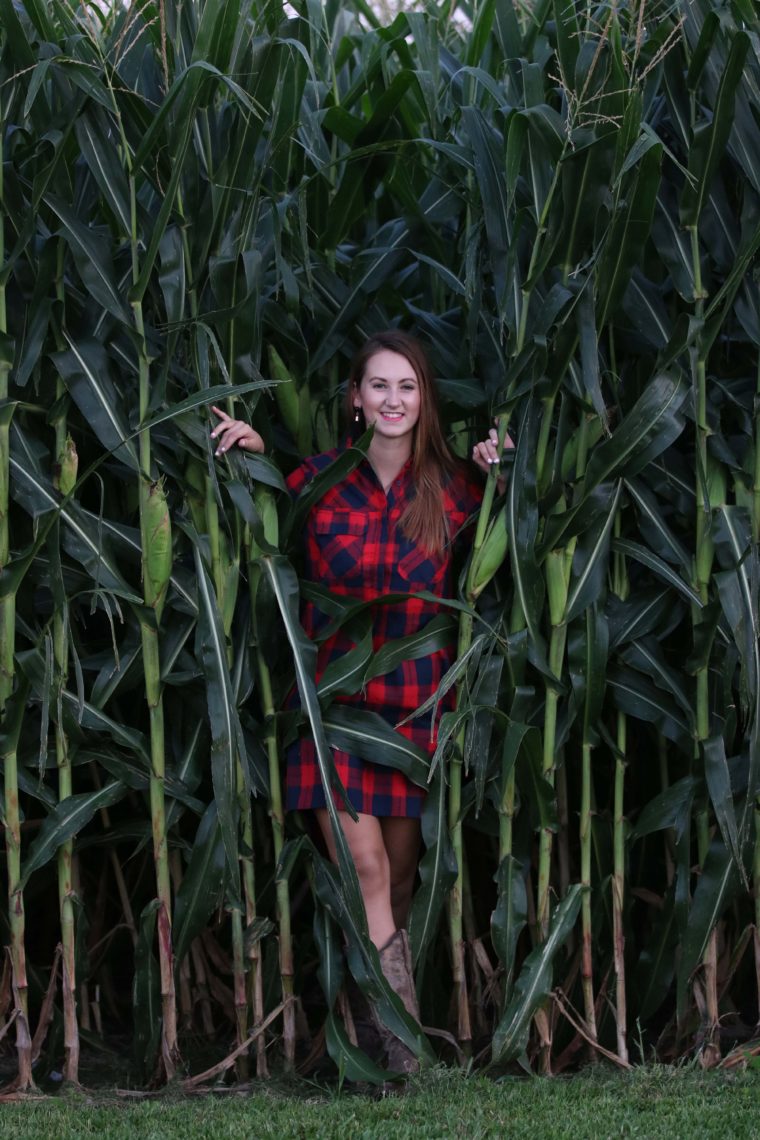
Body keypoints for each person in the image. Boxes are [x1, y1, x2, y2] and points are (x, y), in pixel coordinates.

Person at [211, 330, 509, 1073]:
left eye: (407, 387)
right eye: (378, 386)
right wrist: (250, 454)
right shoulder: (315, 482)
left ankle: (361, 1033)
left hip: (414, 713)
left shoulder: (455, 492)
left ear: (425, 399)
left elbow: (514, 547)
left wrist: (504, 476)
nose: (392, 401)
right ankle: (403, 1057)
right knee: (368, 868)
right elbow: (265, 520)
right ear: (354, 398)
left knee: (399, 881)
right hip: (331, 711)